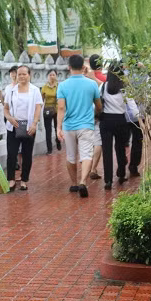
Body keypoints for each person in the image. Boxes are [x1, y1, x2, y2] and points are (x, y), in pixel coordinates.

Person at [56, 55, 102, 197]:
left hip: (69, 126)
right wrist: (97, 114)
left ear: (69, 67)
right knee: (86, 154)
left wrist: (58, 127)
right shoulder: (92, 84)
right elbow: (99, 105)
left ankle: (74, 184)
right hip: (86, 125)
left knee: (71, 156)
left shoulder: (62, 85)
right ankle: (83, 181)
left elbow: (61, 108)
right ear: (83, 67)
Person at [4, 65, 43, 191]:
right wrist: (10, 118)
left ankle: (24, 180)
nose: (21, 76)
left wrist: (34, 124)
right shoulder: (11, 90)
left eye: (24, 74)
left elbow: (38, 108)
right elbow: (5, 108)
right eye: (19, 74)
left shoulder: (35, 90)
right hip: (13, 126)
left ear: (29, 75)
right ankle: (11, 180)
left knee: (27, 154)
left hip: (29, 126)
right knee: (11, 153)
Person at [100, 62, 129, 190]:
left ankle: (108, 180)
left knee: (107, 151)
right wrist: (139, 118)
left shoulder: (103, 86)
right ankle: (121, 174)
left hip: (106, 120)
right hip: (120, 120)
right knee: (120, 148)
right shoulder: (124, 87)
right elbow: (131, 104)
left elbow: (97, 102)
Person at [41, 69, 62, 154]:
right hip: (47, 110)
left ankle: (58, 141)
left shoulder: (59, 86)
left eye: (53, 75)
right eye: (50, 75)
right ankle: (49, 149)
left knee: (58, 128)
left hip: (57, 110)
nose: (52, 76)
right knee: (48, 130)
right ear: (47, 76)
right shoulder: (44, 87)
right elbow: (41, 100)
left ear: (56, 76)